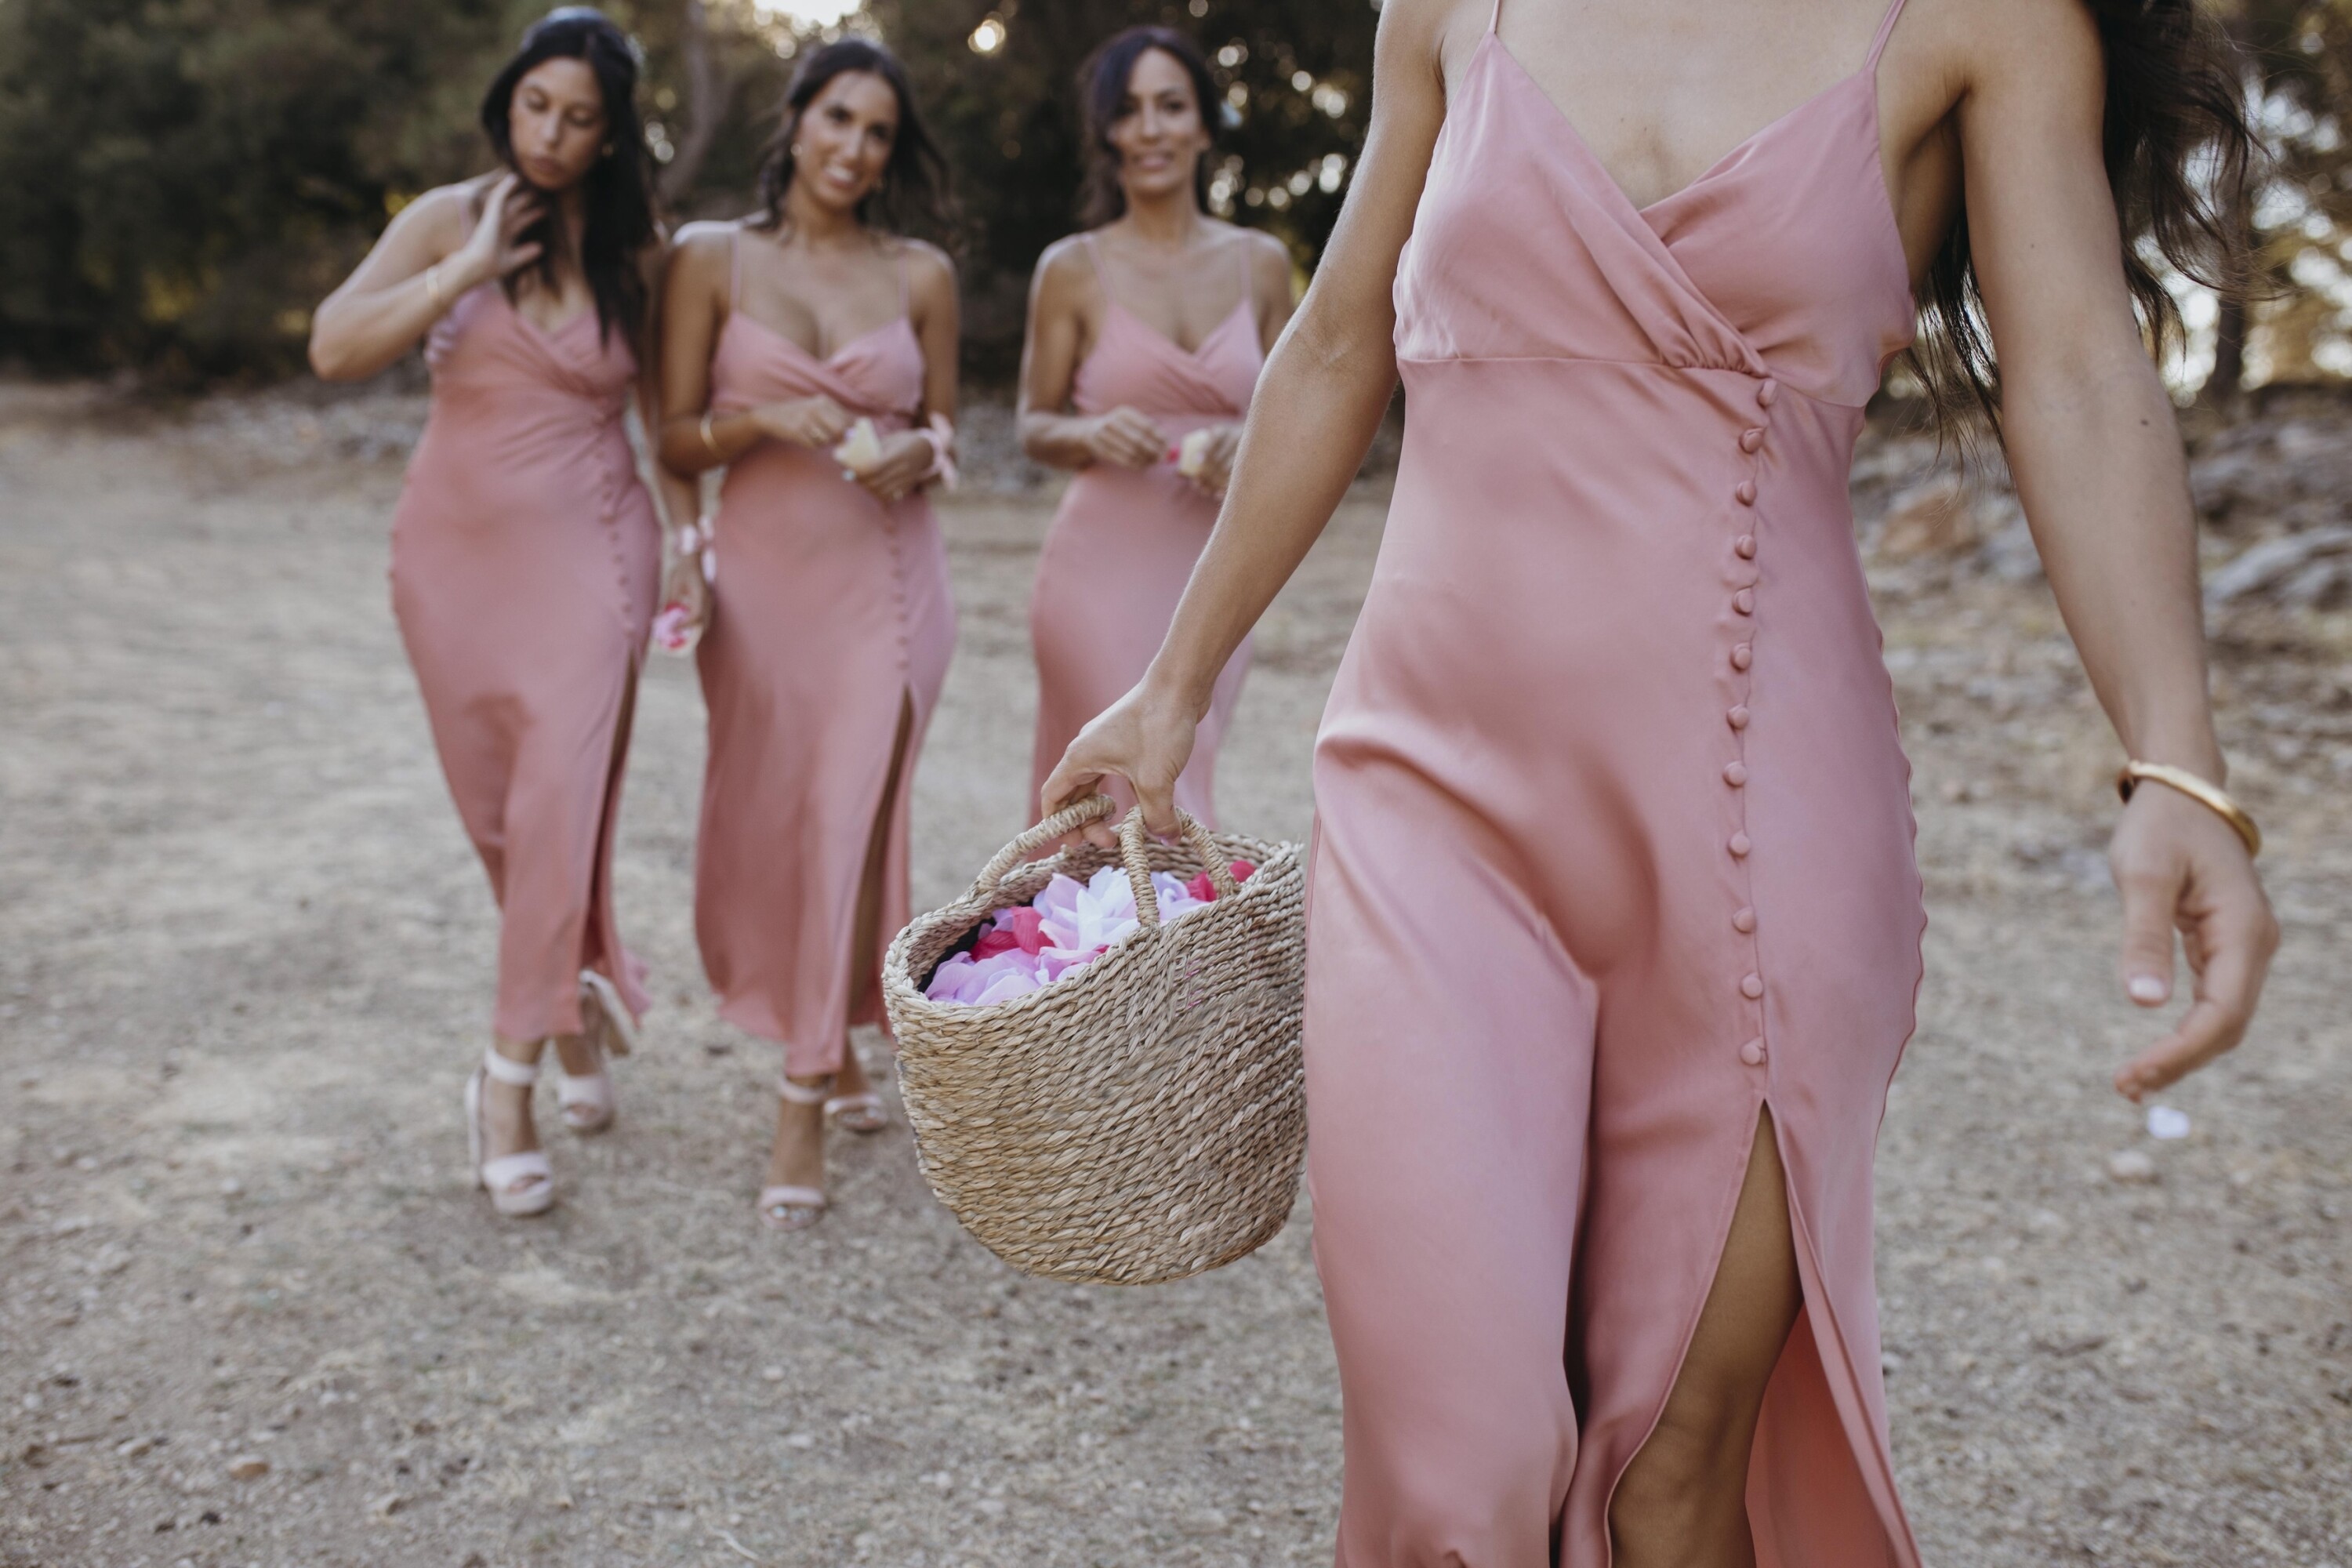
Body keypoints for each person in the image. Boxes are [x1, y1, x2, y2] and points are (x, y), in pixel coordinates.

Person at [1043, 0, 2279, 1560]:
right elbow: (1341, 335)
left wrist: (2177, 757)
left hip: (1763, 829)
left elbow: (2081, 375)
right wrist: (1173, 683)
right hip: (1431, 803)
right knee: (1458, 1466)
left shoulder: (1984, 21)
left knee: (1667, 1469)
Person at [310, 7, 690, 1218]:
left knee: (557, 808)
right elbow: (333, 347)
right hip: (450, 563)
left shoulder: (642, 250)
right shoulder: (441, 217)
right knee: (499, 822)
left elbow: (666, 424)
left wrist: (689, 540)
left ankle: (505, 1078)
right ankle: (569, 1007)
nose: (553, 134)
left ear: (612, 134)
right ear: (509, 100)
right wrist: (468, 267)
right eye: (537, 107)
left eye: (581, 119)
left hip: (594, 556)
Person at [655, 39, 960, 1233]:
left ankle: (799, 1098)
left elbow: (949, 427)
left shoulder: (920, 272)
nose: (854, 149)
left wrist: (916, 450)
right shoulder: (707, 260)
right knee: (783, 820)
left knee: (846, 814)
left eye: (878, 133)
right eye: (839, 119)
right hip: (766, 589)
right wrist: (763, 417)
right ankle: (830, 1038)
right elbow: (673, 437)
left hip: (893, 580)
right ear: (796, 118)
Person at [1018, 27, 1293, 827]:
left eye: (1170, 106)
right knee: (1140, 791)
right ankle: (1156, 957)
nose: (1150, 129)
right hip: (1097, 566)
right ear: (1107, 133)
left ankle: (1135, 955)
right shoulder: (1071, 268)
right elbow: (1034, 424)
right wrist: (1088, 435)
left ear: (1205, 126)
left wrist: (1253, 442)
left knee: (1184, 764)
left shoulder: (1261, 264)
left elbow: (1301, 409)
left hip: (1221, 568)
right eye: (1128, 111)